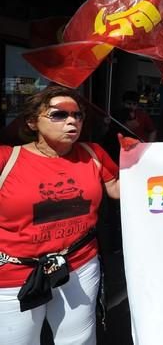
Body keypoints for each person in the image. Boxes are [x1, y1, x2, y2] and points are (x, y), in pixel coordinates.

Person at [0, 85, 120, 345]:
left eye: (77, 115)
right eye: (58, 115)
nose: (71, 121)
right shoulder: (6, 159)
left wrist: (158, 156)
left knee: (79, 340)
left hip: (80, 266)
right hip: (13, 276)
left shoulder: (94, 153)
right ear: (32, 121)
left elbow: (121, 191)